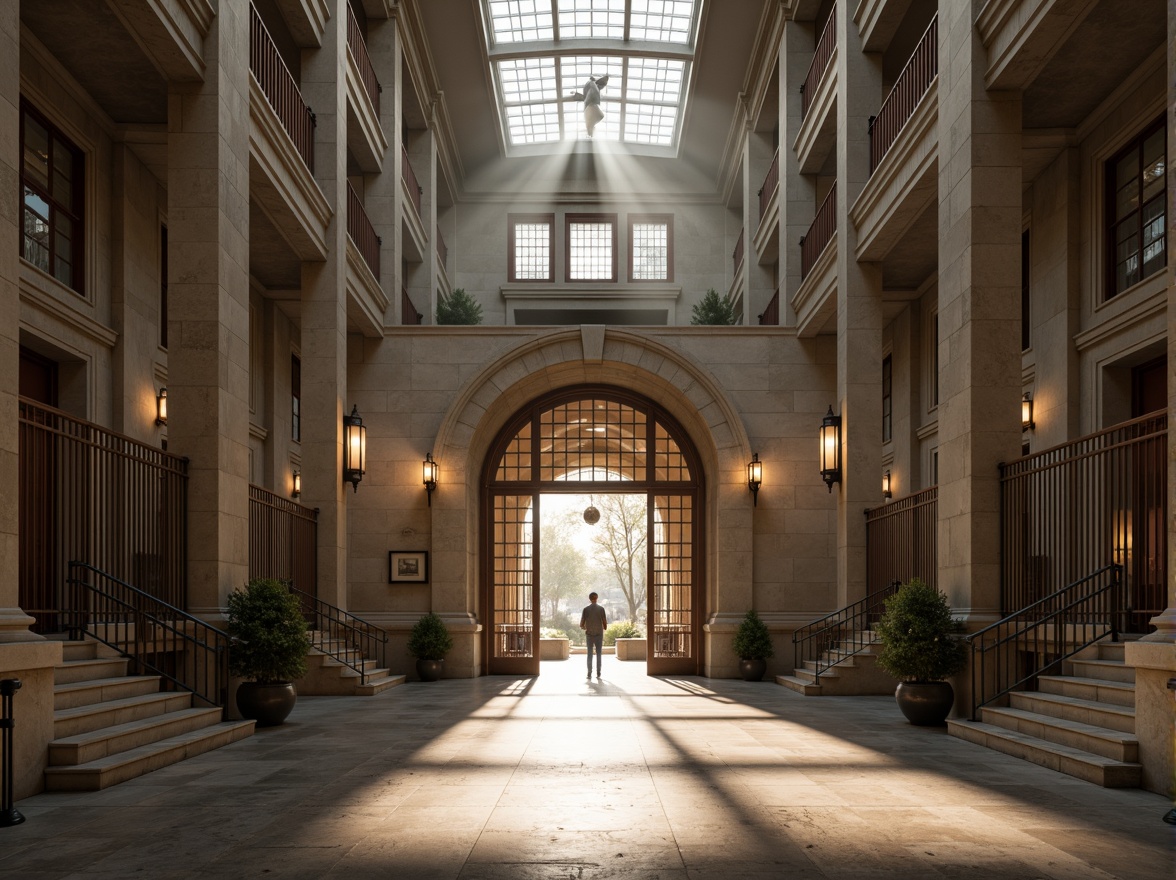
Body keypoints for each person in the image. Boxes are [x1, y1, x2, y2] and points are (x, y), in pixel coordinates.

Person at [579, 591, 607, 679]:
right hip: (599, 634)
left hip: (589, 635)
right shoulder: (601, 609)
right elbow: (604, 622)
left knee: (589, 654)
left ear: (589, 599)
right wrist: (604, 628)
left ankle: (589, 673)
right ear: (597, 598)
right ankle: (598, 673)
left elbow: (581, 624)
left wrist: (585, 628)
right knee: (599, 654)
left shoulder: (586, 609)